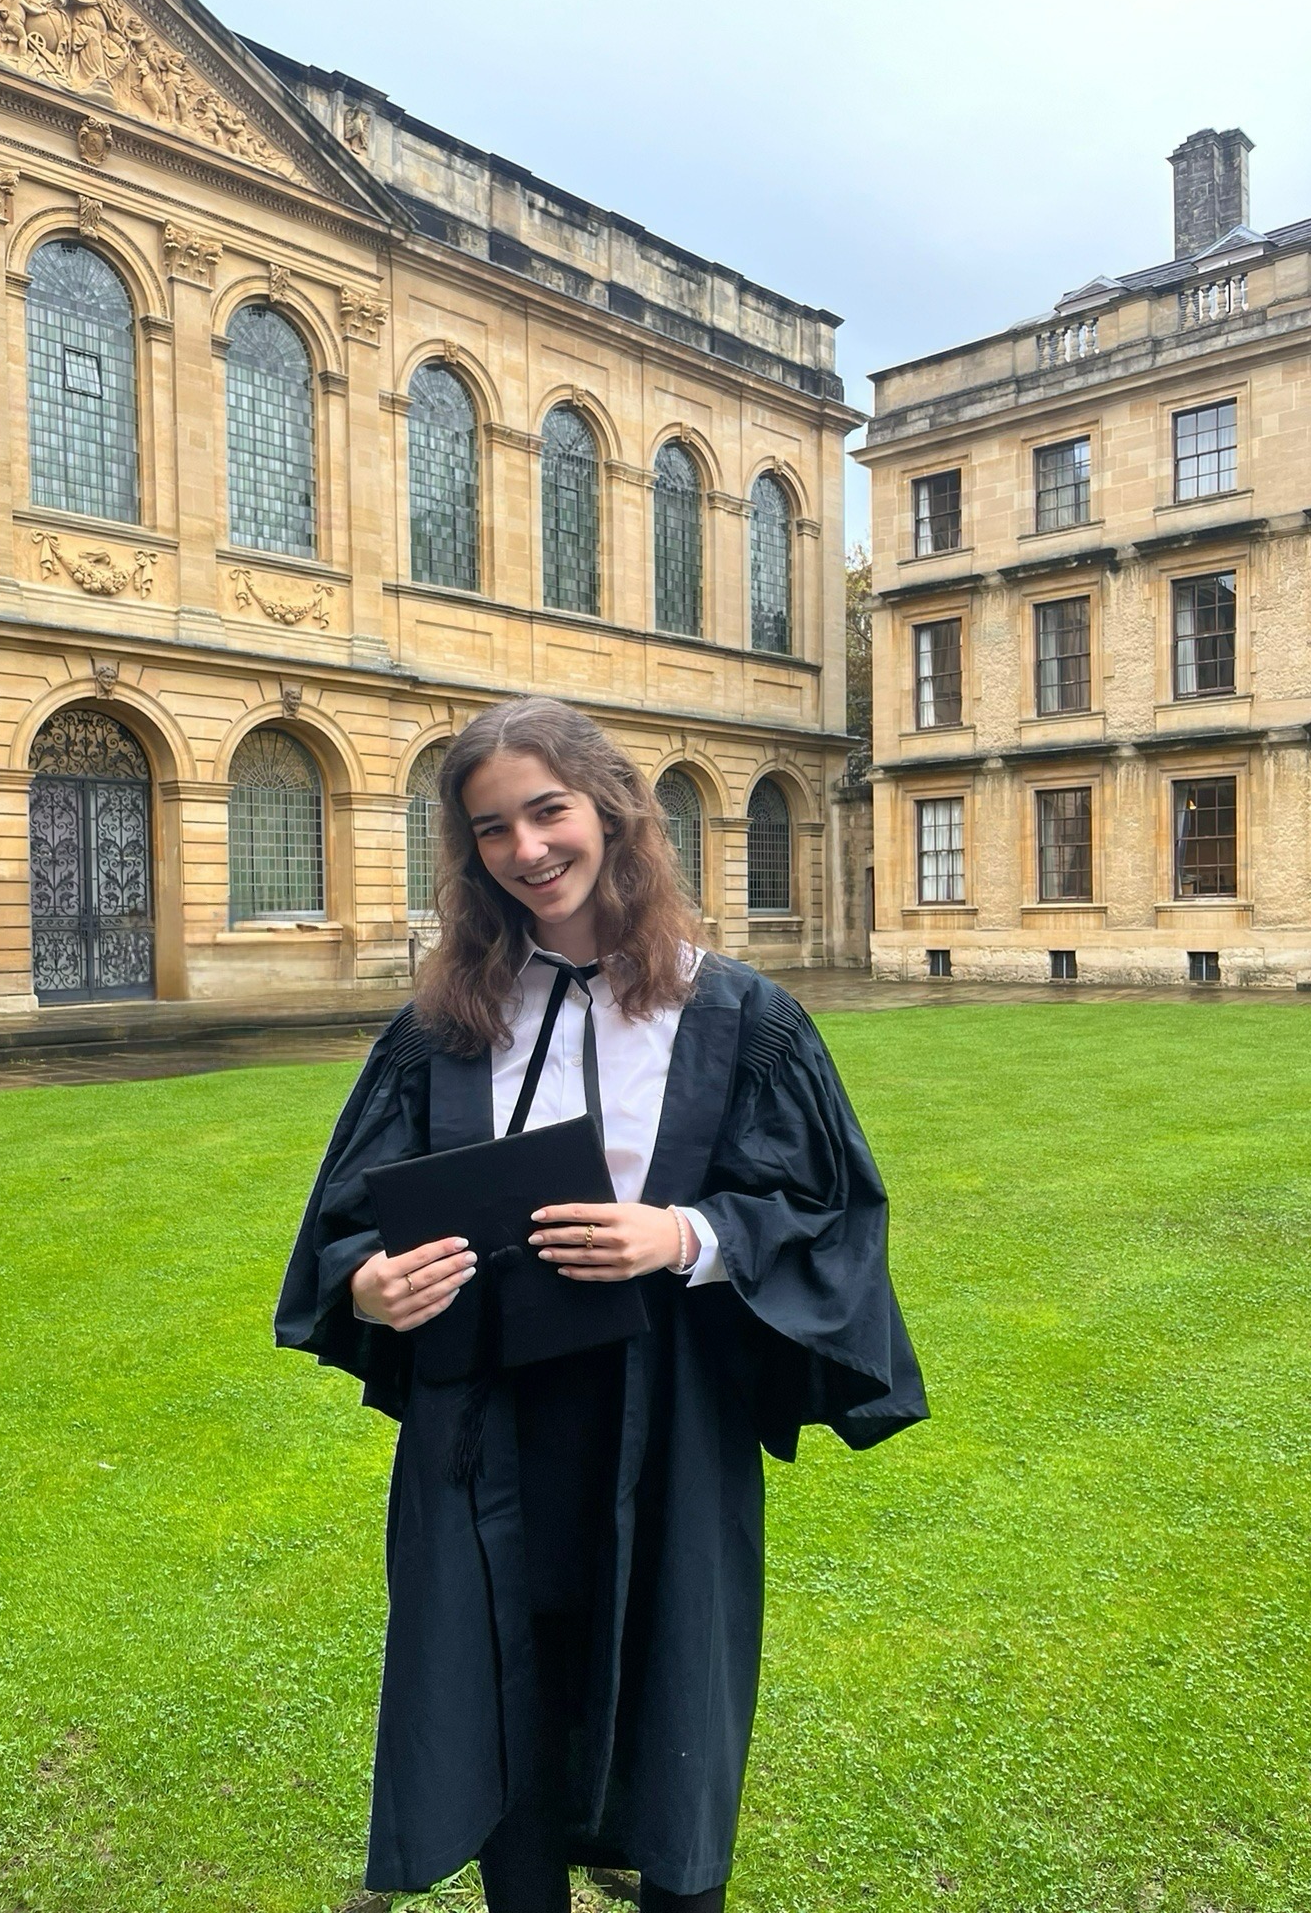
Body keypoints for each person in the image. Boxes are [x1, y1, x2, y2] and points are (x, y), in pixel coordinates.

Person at [276, 697, 927, 1912]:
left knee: (675, 1684)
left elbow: (828, 1216)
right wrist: (369, 1283)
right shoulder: (441, 1028)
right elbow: (344, 1228)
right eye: (491, 830)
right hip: (484, 1422)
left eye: (548, 811)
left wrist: (681, 1233)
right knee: (496, 1686)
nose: (526, 850)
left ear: (612, 812)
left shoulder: (737, 1018)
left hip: (666, 1415)